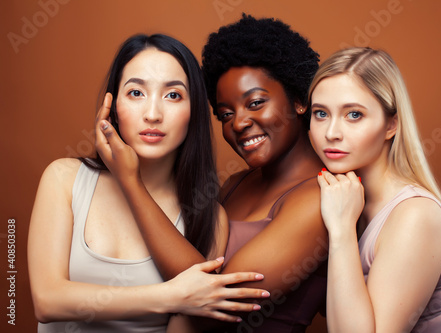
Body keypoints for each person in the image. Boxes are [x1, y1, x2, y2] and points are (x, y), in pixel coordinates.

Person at [96, 15, 329, 332]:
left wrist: (130, 182)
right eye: (226, 114)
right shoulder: (236, 184)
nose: (239, 123)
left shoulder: (321, 197)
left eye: (256, 102)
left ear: (299, 100)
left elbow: (211, 300)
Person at [27, 33, 270, 333]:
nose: (153, 115)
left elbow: (191, 321)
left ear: (193, 112)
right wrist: (171, 296)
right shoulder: (64, 178)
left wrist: (130, 181)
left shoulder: (209, 218)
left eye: (173, 95)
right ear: (112, 106)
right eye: (136, 93)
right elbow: (47, 301)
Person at [308, 47, 441, 332]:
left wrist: (342, 229)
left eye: (353, 114)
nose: (331, 132)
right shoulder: (345, 197)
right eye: (320, 113)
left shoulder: (416, 217)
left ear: (391, 124)